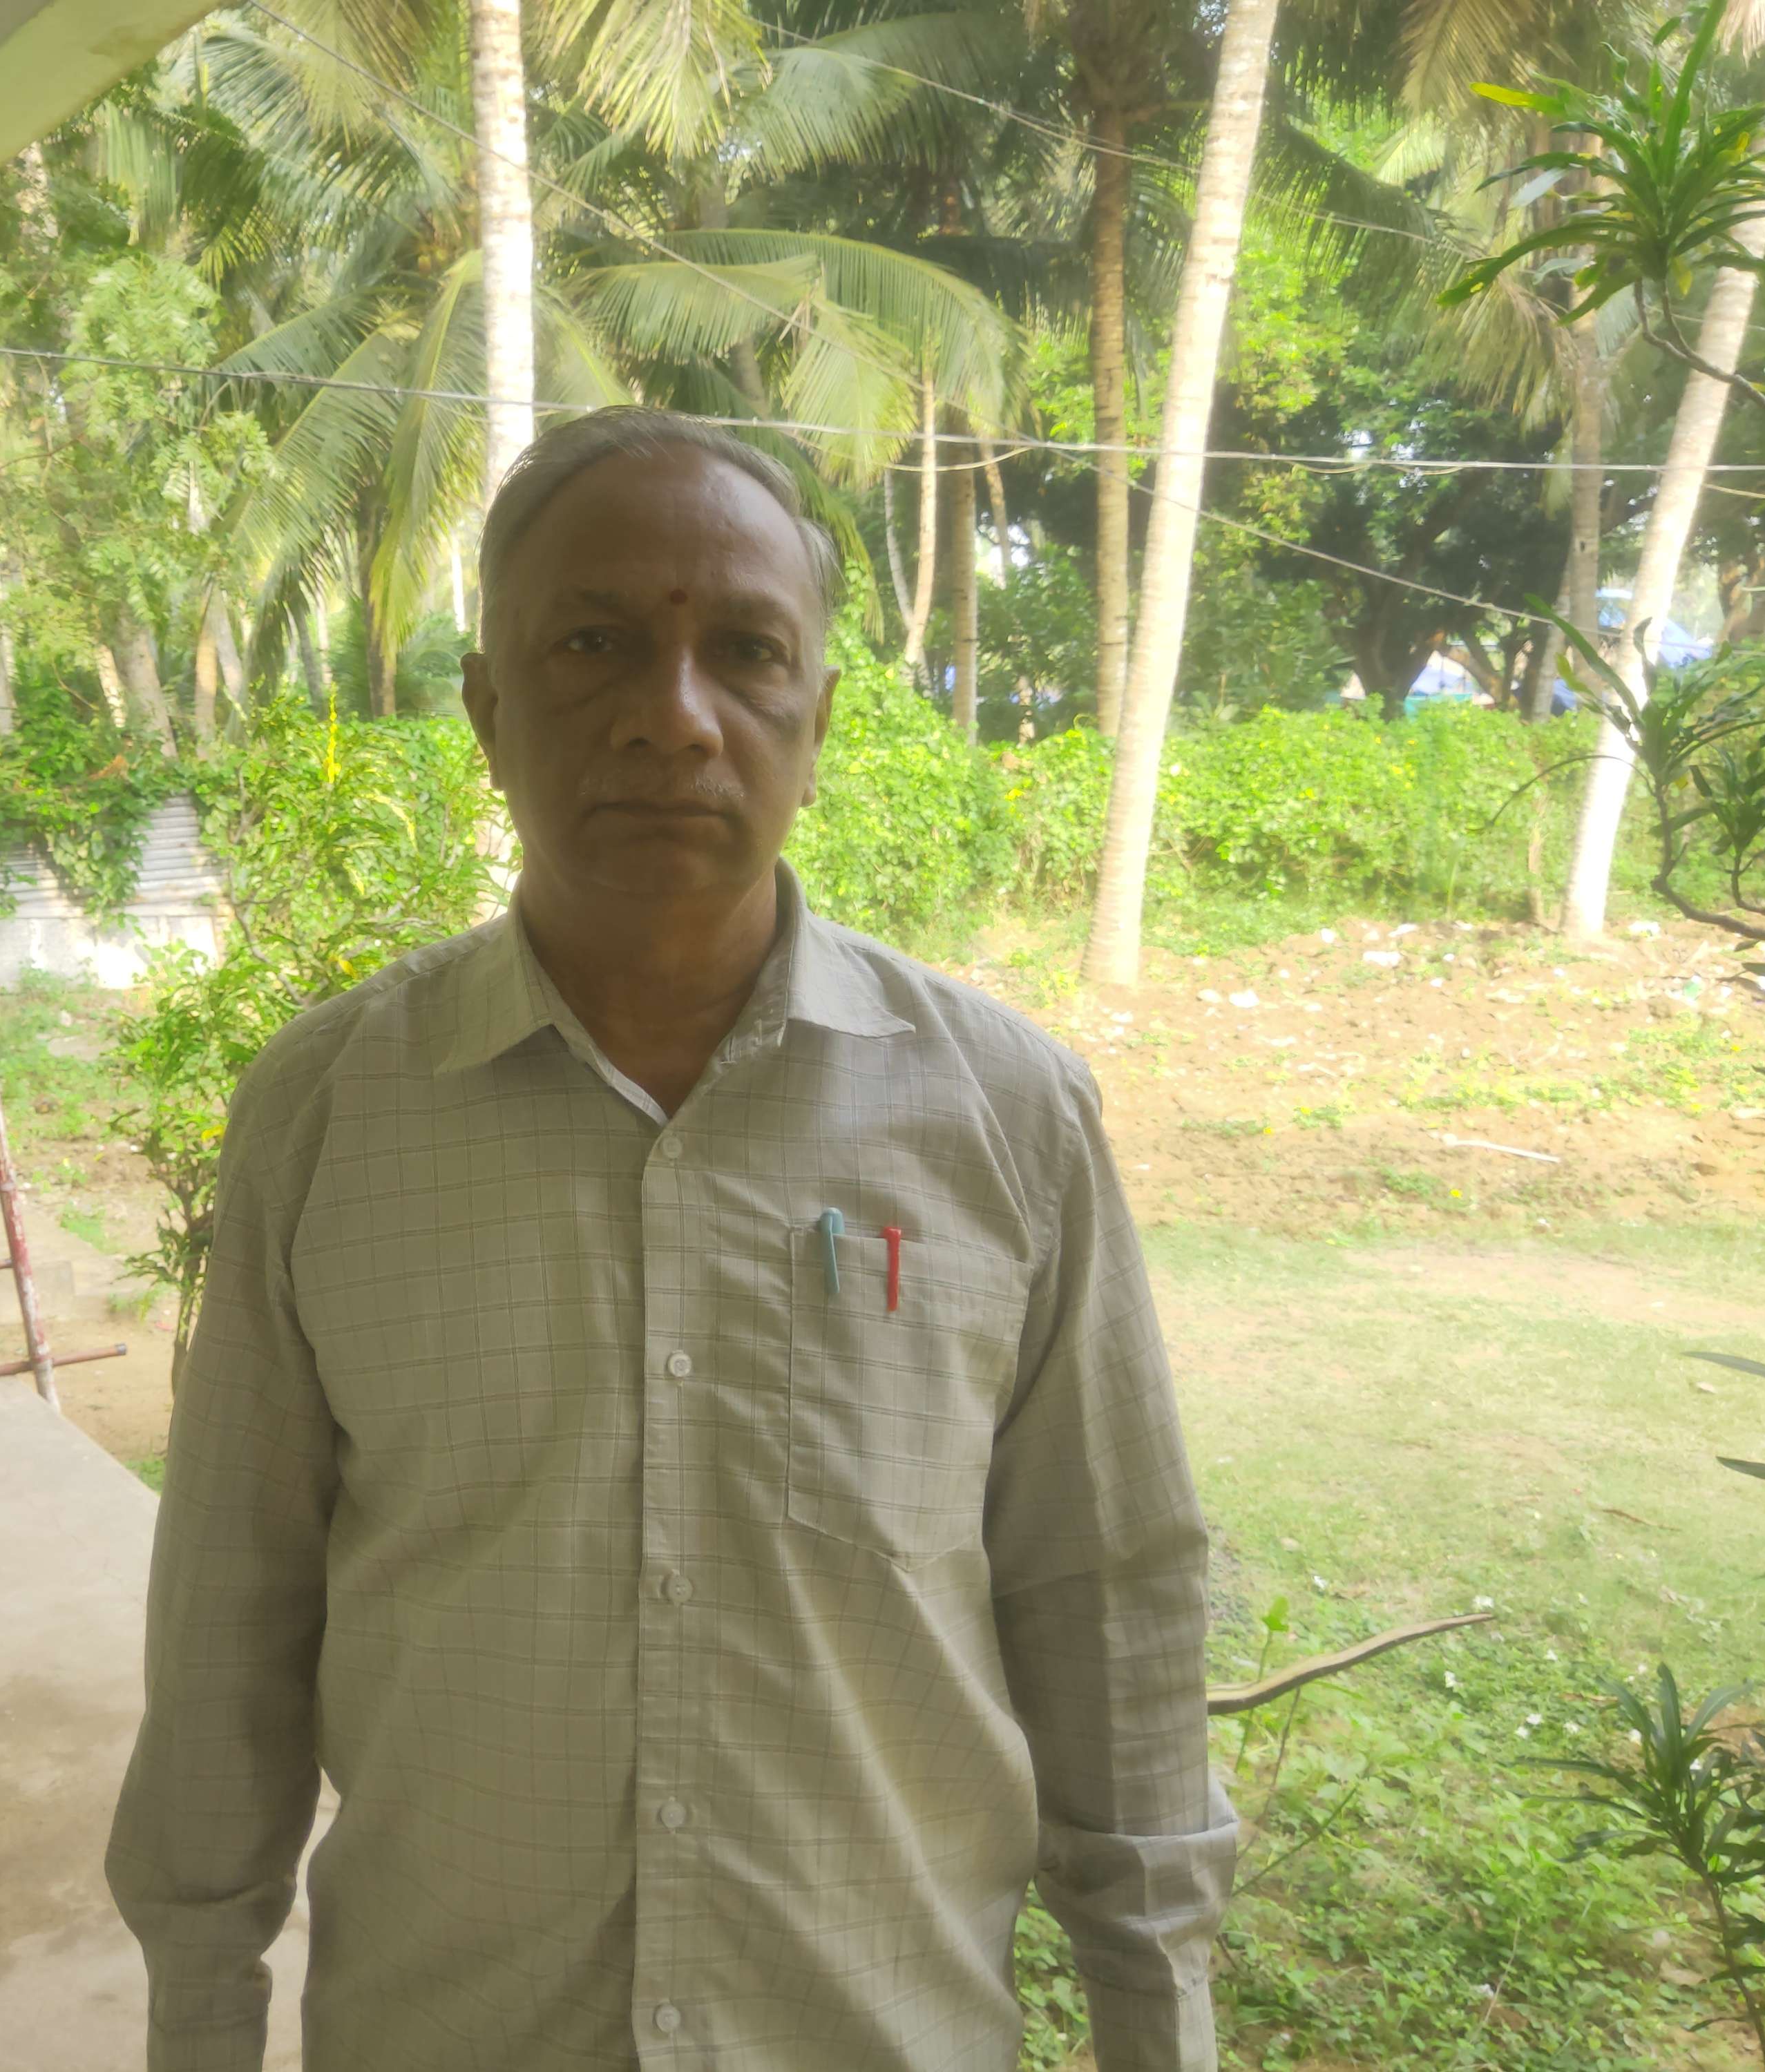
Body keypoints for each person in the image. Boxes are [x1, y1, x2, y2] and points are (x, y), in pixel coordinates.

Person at [108, 409, 1232, 2072]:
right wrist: (200, 2020)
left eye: (747, 654)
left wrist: (1156, 2026)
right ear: (486, 711)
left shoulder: (1006, 1116)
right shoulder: (331, 1111)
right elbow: (230, 1614)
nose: (673, 716)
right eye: (593, 645)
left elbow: (1105, 1594)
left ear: (817, 721)